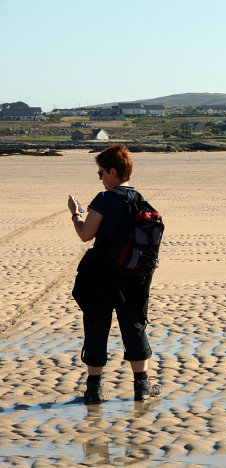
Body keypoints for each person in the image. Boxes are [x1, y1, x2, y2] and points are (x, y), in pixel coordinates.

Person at [68, 144, 161, 404]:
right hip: (135, 274)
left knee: (97, 326)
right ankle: (142, 387)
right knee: (134, 325)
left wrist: (75, 214)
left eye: (100, 173)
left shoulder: (104, 199)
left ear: (112, 171)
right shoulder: (140, 199)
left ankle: (94, 389)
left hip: (103, 274)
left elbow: (86, 234)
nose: (99, 178)